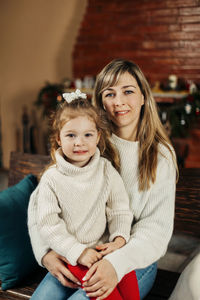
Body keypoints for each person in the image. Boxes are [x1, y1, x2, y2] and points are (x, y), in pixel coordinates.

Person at [28, 59, 177, 300]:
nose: (119, 102)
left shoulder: (160, 156)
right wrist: (45, 253)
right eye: (110, 94)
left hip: (133, 261)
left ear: (143, 97)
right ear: (101, 103)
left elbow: (155, 231)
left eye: (128, 91)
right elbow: (40, 204)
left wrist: (116, 263)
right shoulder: (87, 141)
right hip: (81, 253)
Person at [28, 88, 140, 300]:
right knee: (104, 293)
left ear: (98, 136)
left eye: (87, 135)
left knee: (129, 286)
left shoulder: (106, 170)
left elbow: (120, 211)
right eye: (71, 135)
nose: (79, 142)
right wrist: (78, 252)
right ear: (58, 139)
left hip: (105, 251)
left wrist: (118, 239)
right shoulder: (52, 179)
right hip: (72, 256)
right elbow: (48, 225)